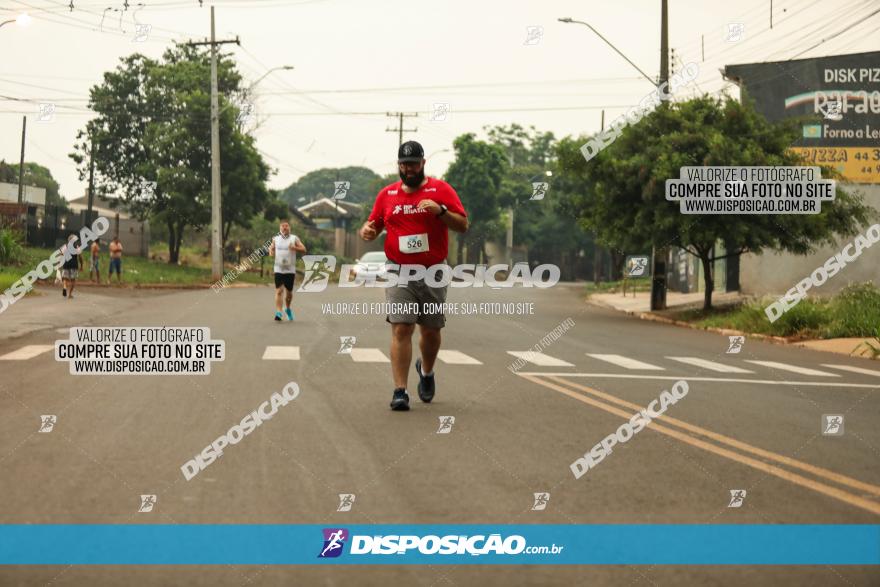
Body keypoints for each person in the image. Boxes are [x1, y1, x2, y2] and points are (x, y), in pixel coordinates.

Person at [359, 140, 468, 411]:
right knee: (401, 326)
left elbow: (463, 224)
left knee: (430, 330)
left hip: (433, 271)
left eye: (414, 164)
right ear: (398, 165)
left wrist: (441, 212)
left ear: (423, 164)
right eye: (404, 164)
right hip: (398, 269)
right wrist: (367, 231)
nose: (409, 169)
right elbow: (372, 224)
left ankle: (427, 372)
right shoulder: (387, 195)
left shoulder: (440, 190)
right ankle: (400, 391)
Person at [268, 220, 307, 321]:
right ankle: (279, 312)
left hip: (290, 270)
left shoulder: (294, 238)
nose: (285, 228)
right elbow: (271, 251)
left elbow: (304, 249)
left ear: (290, 228)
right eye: (283, 226)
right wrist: (271, 250)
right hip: (278, 269)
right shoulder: (275, 239)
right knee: (279, 291)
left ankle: (288, 309)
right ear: (280, 228)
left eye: (286, 226)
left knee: (289, 293)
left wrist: (294, 247)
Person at [60, 233, 84, 299]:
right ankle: (70, 294)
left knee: (65, 278)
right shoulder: (77, 247)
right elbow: (80, 258)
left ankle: (64, 287)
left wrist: (60, 265)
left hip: (66, 264)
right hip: (74, 265)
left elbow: (61, 256)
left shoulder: (65, 246)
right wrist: (81, 266)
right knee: (73, 280)